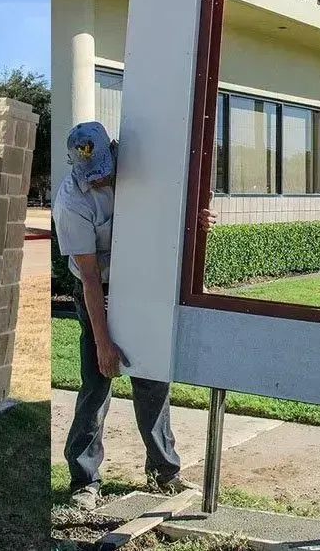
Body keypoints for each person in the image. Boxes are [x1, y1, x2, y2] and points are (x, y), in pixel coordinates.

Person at [54, 120, 214, 511]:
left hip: (141, 284)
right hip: (100, 289)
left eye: (105, 171)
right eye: (92, 176)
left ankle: (164, 471)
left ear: (113, 151)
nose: (101, 180)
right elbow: (90, 278)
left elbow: (168, 214)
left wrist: (197, 222)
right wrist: (104, 343)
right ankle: (84, 482)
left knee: (152, 377)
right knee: (97, 381)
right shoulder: (71, 202)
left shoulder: (139, 166)